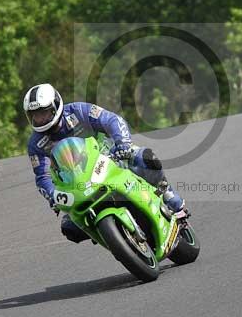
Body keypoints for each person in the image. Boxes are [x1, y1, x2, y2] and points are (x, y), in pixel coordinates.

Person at [23, 83, 187, 243]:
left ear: (55, 106)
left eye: (43, 113)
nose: (39, 119)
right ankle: (113, 238)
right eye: (35, 116)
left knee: (145, 158)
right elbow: (42, 176)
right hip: (76, 184)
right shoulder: (36, 144)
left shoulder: (78, 111)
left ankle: (168, 195)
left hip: (110, 158)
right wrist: (53, 196)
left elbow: (112, 120)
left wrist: (123, 143)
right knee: (70, 228)